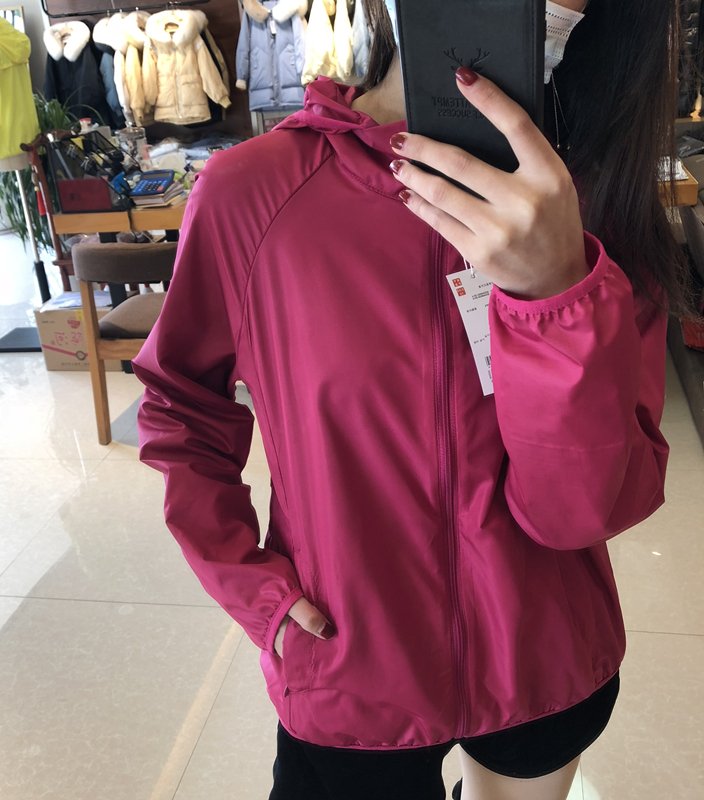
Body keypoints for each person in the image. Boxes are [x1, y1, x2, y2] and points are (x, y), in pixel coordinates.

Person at [132, 1, 694, 799]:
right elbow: (181, 403)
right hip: (348, 667)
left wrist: (555, 295)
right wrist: (250, 583)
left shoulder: (597, 205)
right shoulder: (254, 193)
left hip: (546, 663)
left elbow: (581, 513)